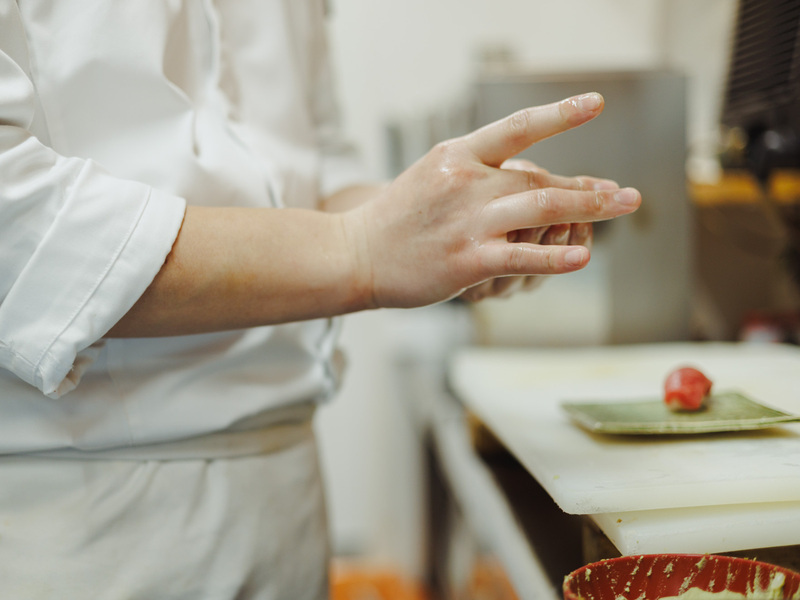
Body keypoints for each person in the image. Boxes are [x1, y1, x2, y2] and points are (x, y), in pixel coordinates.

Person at [0, 1, 641, 599]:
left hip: (288, 486)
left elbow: (318, 175)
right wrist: (360, 251)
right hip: (84, 516)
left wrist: (455, 236)